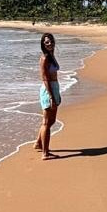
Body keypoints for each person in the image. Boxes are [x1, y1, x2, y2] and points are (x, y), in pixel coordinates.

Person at [33, 32, 61, 160]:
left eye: (51, 41)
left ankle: (38, 143)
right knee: (46, 122)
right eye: (46, 42)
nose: (49, 44)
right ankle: (45, 153)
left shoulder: (51, 56)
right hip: (48, 90)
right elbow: (45, 79)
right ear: (43, 45)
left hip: (54, 88)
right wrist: (51, 96)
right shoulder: (44, 58)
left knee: (51, 121)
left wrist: (56, 93)